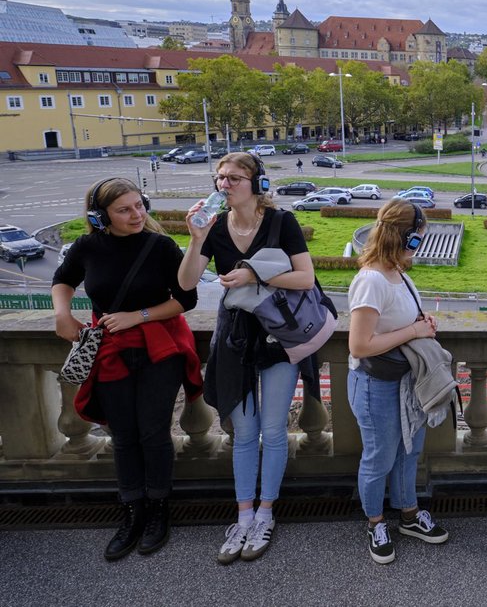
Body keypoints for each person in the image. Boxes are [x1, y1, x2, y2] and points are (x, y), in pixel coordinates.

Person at [178, 151, 319, 565]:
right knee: (244, 431)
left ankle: (265, 513)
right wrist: (196, 238)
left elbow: (306, 277)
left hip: (278, 334)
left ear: (257, 183)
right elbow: (186, 284)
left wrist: (256, 274)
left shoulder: (281, 222)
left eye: (235, 178)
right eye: (221, 178)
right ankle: (242, 516)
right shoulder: (216, 227)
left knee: (273, 429)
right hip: (236, 336)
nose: (225, 185)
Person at [51, 178, 200, 560]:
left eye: (139, 205)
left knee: (153, 433)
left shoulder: (160, 245)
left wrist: (138, 315)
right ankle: (132, 511)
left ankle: (158, 511)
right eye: (124, 209)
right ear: (101, 217)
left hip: (158, 348)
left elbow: (186, 300)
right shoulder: (86, 247)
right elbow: (63, 280)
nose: (137, 215)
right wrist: (61, 314)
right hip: (112, 350)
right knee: (123, 435)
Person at [346, 200, 449, 565]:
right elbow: (359, 345)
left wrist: (422, 326)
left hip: (404, 382)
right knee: (380, 457)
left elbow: (400, 325)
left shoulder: (398, 274)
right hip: (376, 384)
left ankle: (408, 515)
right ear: (405, 238)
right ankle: (375, 522)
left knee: (409, 452)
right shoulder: (372, 280)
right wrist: (413, 330)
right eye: (418, 239)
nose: (420, 246)